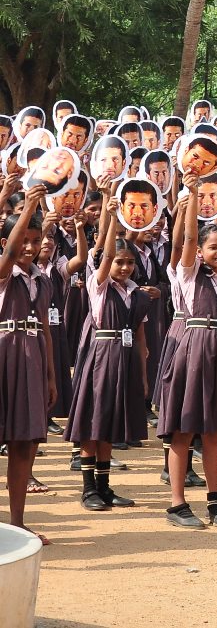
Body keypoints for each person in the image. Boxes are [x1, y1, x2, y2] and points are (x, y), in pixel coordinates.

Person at [154, 175, 217, 528]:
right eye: (214, 247)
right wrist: (193, 195)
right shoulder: (190, 275)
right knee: (182, 430)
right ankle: (178, 504)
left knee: (214, 433)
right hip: (190, 356)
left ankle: (214, 501)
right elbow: (188, 237)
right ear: (200, 252)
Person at [65, 186, 149, 511]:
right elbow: (107, 252)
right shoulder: (98, 286)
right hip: (100, 358)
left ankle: (104, 487)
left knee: (110, 425)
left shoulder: (136, 294)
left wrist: (142, 375)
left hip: (124, 360)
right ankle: (88, 490)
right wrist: (112, 215)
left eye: (130, 263)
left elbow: (141, 338)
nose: (124, 267)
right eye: (119, 263)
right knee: (93, 422)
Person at [0, 181, 55, 541]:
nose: (31, 248)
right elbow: (6, 261)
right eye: (24, 241)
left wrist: (50, 376)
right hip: (3, 355)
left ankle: (16, 525)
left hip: (31, 360)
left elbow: (46, 329)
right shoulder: (4, 273)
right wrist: (27, 209)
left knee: (25, 443)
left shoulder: (41, 280)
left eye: (37, 241)